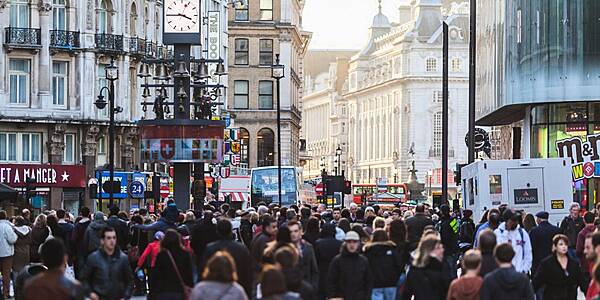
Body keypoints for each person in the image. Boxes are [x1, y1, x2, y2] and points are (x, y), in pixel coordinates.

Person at [201, 218, 252, 297]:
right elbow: (247, 272)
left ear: (217, 231)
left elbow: (203, 269)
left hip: (213, 290)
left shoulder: (210, 248)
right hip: (237, 288)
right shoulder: (241, 249)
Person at [80, 227, 133, 300]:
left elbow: (129, 281)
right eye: (109, 238)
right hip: (100, 297)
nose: (112, 241)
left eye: (114, 238)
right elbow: (84, 279)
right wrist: (90, 293)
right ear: (102, 241)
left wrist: (125, 296)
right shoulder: (93, 258)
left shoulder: (123, 258)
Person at [532, 234, 587, 300]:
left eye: (566, 244)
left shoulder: (574, 264)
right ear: (555, 246)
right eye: (561, 244)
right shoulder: (547, 264)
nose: (564, 247)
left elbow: (583, 282)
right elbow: (536, 282)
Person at [402, 235, 451, 300]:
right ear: (429, 250)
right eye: (438, 248)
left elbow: (406, 294)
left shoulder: (414, 269)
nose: (442, 250)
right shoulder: (442, 267)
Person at [327, 231, 373, 300]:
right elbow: (331, 281)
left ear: (358, 243)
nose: (352, 245)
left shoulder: (363, 261)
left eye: (354, 242)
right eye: (349, 242)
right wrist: (333, 297)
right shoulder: (337, 261)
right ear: (345, 243)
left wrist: (367, 297)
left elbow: (368, 281)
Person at [150, 229, 194, 299]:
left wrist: (152, 291)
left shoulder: (161, 255)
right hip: (179, 290)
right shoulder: (185, 254)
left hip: (163, 291)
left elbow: (155, 274)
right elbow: (189, 273)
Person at [363, 229, 403, 300]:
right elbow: (399, 266)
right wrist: (395, 278)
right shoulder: (392, 250)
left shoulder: (368, 252)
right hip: (391, 283)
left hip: (375, 285)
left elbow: (365, 268)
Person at [494, 209, 532, 273]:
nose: (516, 222)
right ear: (506, 220)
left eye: (516, 219)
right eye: (513, 220)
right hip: (503, 273)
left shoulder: (522, 233)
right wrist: (506, 232)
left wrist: (524, 270)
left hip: (520, 273)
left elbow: (528, 253)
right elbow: (499, 251)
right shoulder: (498, 233)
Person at [314, 223, 342, 299]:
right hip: (336, 273)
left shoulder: (318, 243)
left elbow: (316, 259)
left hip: (322, 272)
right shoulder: (340, 244)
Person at [288, 220, 319, 290]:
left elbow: (314, 269)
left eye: (295, 231)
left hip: (307, 287)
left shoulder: (308, 247)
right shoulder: (285, 249)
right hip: (291, 288)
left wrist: (313, 286)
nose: (293, 234)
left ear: (300, 231)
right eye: (290, 232)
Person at [438, 204, 459, 278]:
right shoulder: (453, 220)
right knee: (454, 268)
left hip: (448, 250)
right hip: (455, 247)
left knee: (450, 270)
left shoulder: (444, 223)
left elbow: (444, 238)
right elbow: (456, 231)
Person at [0, 210, 17, 299]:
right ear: (5, 216)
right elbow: (12, 239)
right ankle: (5, 294)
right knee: (6, 274)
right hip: (7, 254)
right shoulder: (7, 227)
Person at [71, 206, 91, 278]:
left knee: (80, 267)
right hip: (90, 248)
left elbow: (73, 239)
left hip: (80, 249)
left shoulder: (77, 226)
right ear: (89, 213)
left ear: (80, 214)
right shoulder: (91, 225)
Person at [577, 211, 596, 280]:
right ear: (594, 219)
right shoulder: (597, 231)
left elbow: (578, 250)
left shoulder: (581, 233)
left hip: (586, 264)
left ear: (584, 220)